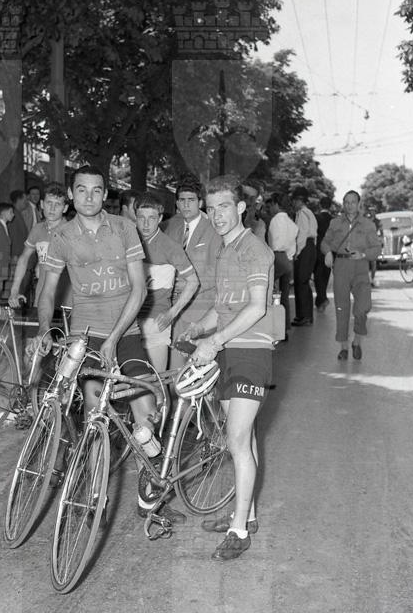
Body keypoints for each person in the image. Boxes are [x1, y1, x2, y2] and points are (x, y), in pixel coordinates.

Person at [36, 166, 183, 522]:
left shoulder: (124, 228)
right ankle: (94, 494)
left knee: (145, 412)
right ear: (71, 194)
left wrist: (115, 337)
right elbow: (48, 290)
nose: (89, 197)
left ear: (105, 194)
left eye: (96, 190)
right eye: (81, 190)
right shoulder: (62, 237)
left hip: (126, 333)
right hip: (86, 335)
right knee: (93, 414)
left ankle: (149, 487)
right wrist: (43, 329)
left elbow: (140, 289)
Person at [180, 175, 275, 561]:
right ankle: (245, 513)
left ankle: (239, 531)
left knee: (236, 439)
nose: (217, 214)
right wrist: (198, 327)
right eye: (211, 208)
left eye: (224, 206)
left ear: (240, 208)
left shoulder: (255, 249)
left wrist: (215, 340)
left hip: (251, 351)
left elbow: (257, 307)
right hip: (226, 350)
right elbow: (223, 307)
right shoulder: (223, 250)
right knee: (244, 439)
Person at [134, 193, 198, 372]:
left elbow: (193, 282)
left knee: (155, 381)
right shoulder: (129, 242)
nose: (146, 224)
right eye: (141, 217)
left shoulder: (170, 246)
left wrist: (172, 313)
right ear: (135, 217)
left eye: (152, 218)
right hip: (129, 320)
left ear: (160, 218)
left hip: (155, 321)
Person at [163, 182, 222, 371]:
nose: (186, 205)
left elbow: (217, 271)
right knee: (174, 371)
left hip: (201, 309)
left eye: (191, 200)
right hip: (173, 309)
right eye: (182, 200)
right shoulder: (170, 227)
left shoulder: (214, 229)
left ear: (200, 202)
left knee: (198, 371)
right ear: (177, 204)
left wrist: (188, 283)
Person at [321, 190, 382, 360]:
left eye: (353, 202)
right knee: (341, 307)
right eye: (346, 202)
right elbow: (325, 242)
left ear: (359, 204)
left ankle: (357, 341)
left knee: (363, 307)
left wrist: (363, 254)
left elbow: (376, 249)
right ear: (343, 203)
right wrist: (327, 252)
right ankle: (343, 347)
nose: (349, 205)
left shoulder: (368, 225)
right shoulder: (335, 223)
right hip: (341, 267)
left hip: (360, 267)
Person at [8, 186, 68, 309]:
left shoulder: (70, 232)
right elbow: (24, 258)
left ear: (65, 208)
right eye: (49, 203)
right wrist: (14, 290)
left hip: (64, 300)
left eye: (57, 204)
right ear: (41, 204)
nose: (52, 208)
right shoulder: (37, 229)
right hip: (41, 297)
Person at [266, 193, 297, 339]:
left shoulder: (275, 220)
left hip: (276, 257)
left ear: (276, 204)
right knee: (283, 296)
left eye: (271, 205)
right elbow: (292, 246)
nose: (270, 209)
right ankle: (283, 329)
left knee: (269, 292)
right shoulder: (291, 223)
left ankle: (272, 328)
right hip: (287, 259)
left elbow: (273, 243)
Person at [290, 186, 317, 326]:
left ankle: (304, 316)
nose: (293, 203)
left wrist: (297, 252)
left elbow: (302, 234)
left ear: (300, 200)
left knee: (301, 281)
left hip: (304, 247)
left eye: (294, 200)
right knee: (303, 282)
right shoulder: (309, 213)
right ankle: (305, 315)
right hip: (310, 247)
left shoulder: (302, 213)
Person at [314, 196, 333, 311]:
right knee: (325, 276)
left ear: (320, 205)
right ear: (330, 206)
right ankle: (321, 300)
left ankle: (322, 299)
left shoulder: (316, 218)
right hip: (330, 251)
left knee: (318, 277)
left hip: (318, 250)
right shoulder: (333, 220)